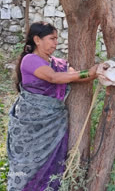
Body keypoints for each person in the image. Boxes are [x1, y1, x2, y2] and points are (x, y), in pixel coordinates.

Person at [7, 21, 98, 191]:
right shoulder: (30, 60)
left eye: (56, 39)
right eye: (51, 38)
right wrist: (88, 72)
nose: (56, 43)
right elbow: (54, 78)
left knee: (51, 166)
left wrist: (99, 72)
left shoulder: (58, 63)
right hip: (30, 128)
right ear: (37, 39)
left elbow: (74, 77)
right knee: (26, 167)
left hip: (54, 126)